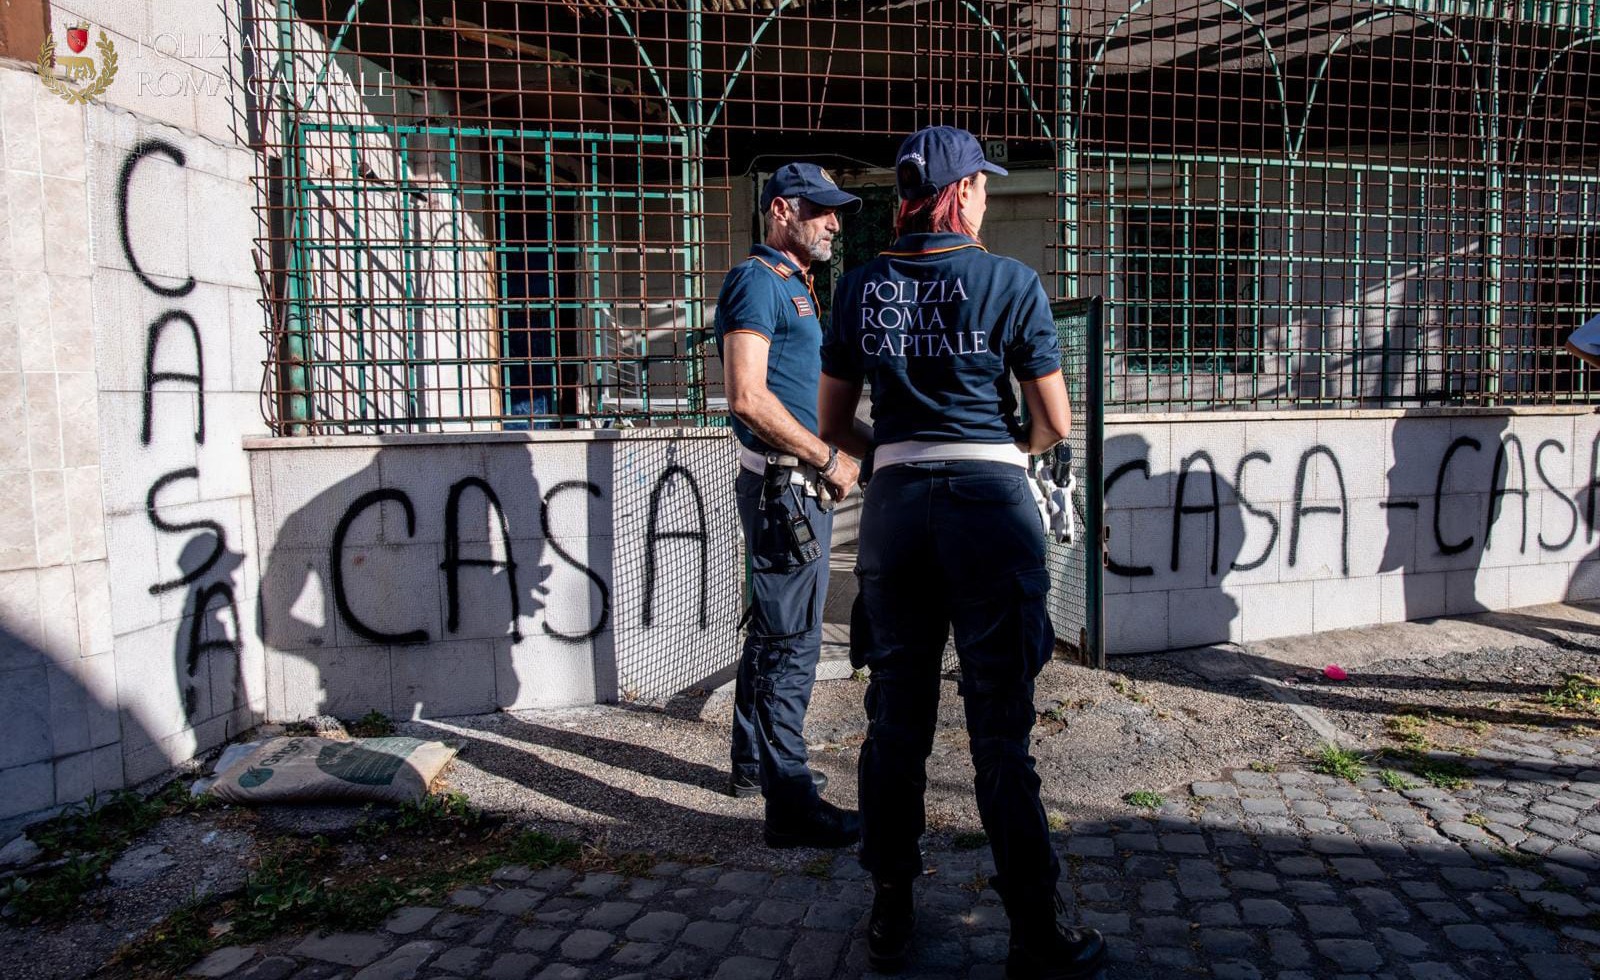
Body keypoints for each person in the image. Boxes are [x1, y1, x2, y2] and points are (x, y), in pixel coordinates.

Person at [818, 127, 1106, 979]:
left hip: (898, 512)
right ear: (960, 195)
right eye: (979, 183)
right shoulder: (1012, 282)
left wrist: (900, 458)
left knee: (894, 724)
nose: (984, 194)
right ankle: (1033, 929)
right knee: (999, 733)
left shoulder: (861, 286)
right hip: (990, 509)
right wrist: (1003, 449)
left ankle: (890, 913)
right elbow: (1052, 422)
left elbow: (834, 426)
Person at [714, 162, 864, 848]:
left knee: (774, 633)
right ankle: (791, 800)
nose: (835, 221)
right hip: (788, 489)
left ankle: (755, 766)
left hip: (793, 487)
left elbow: (802, 395)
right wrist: (828, 458)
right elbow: (746, 397)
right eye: (823, 209)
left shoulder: (793, 284)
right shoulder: (756, 281)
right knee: (792, 643)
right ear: (781, 211)